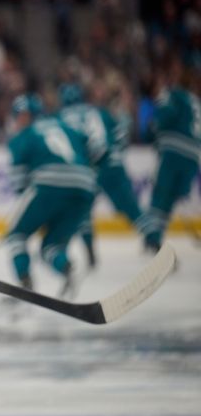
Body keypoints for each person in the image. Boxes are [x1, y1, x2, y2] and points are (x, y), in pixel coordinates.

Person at [4, 94, 95, 297]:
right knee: (52, 245)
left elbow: (19, 182)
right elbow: (92, 148)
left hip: (48, 185)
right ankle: (65, 267)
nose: (19, 121)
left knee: (16, 236)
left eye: (20, 116)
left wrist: (36, 209)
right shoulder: (66, 127)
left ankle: (24, 281)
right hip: (84, 187)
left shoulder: (23, 136)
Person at [58, 83, 147, 268]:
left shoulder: (61, 118)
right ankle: (156, 243)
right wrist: (115, 153)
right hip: (111, 165)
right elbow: (122, 133)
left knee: (82, 212)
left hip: (86, 170)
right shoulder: (99, 111)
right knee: (131, 209)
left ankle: (90, 253)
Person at [141, 69, 201, 254]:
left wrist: (151, 131)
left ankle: (153, 238)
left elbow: (163, 117)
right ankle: (156, 236)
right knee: (170, 199)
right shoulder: (196, 102)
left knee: (161, 197)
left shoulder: (172, 94)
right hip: (193, 157)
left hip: (173, 153)